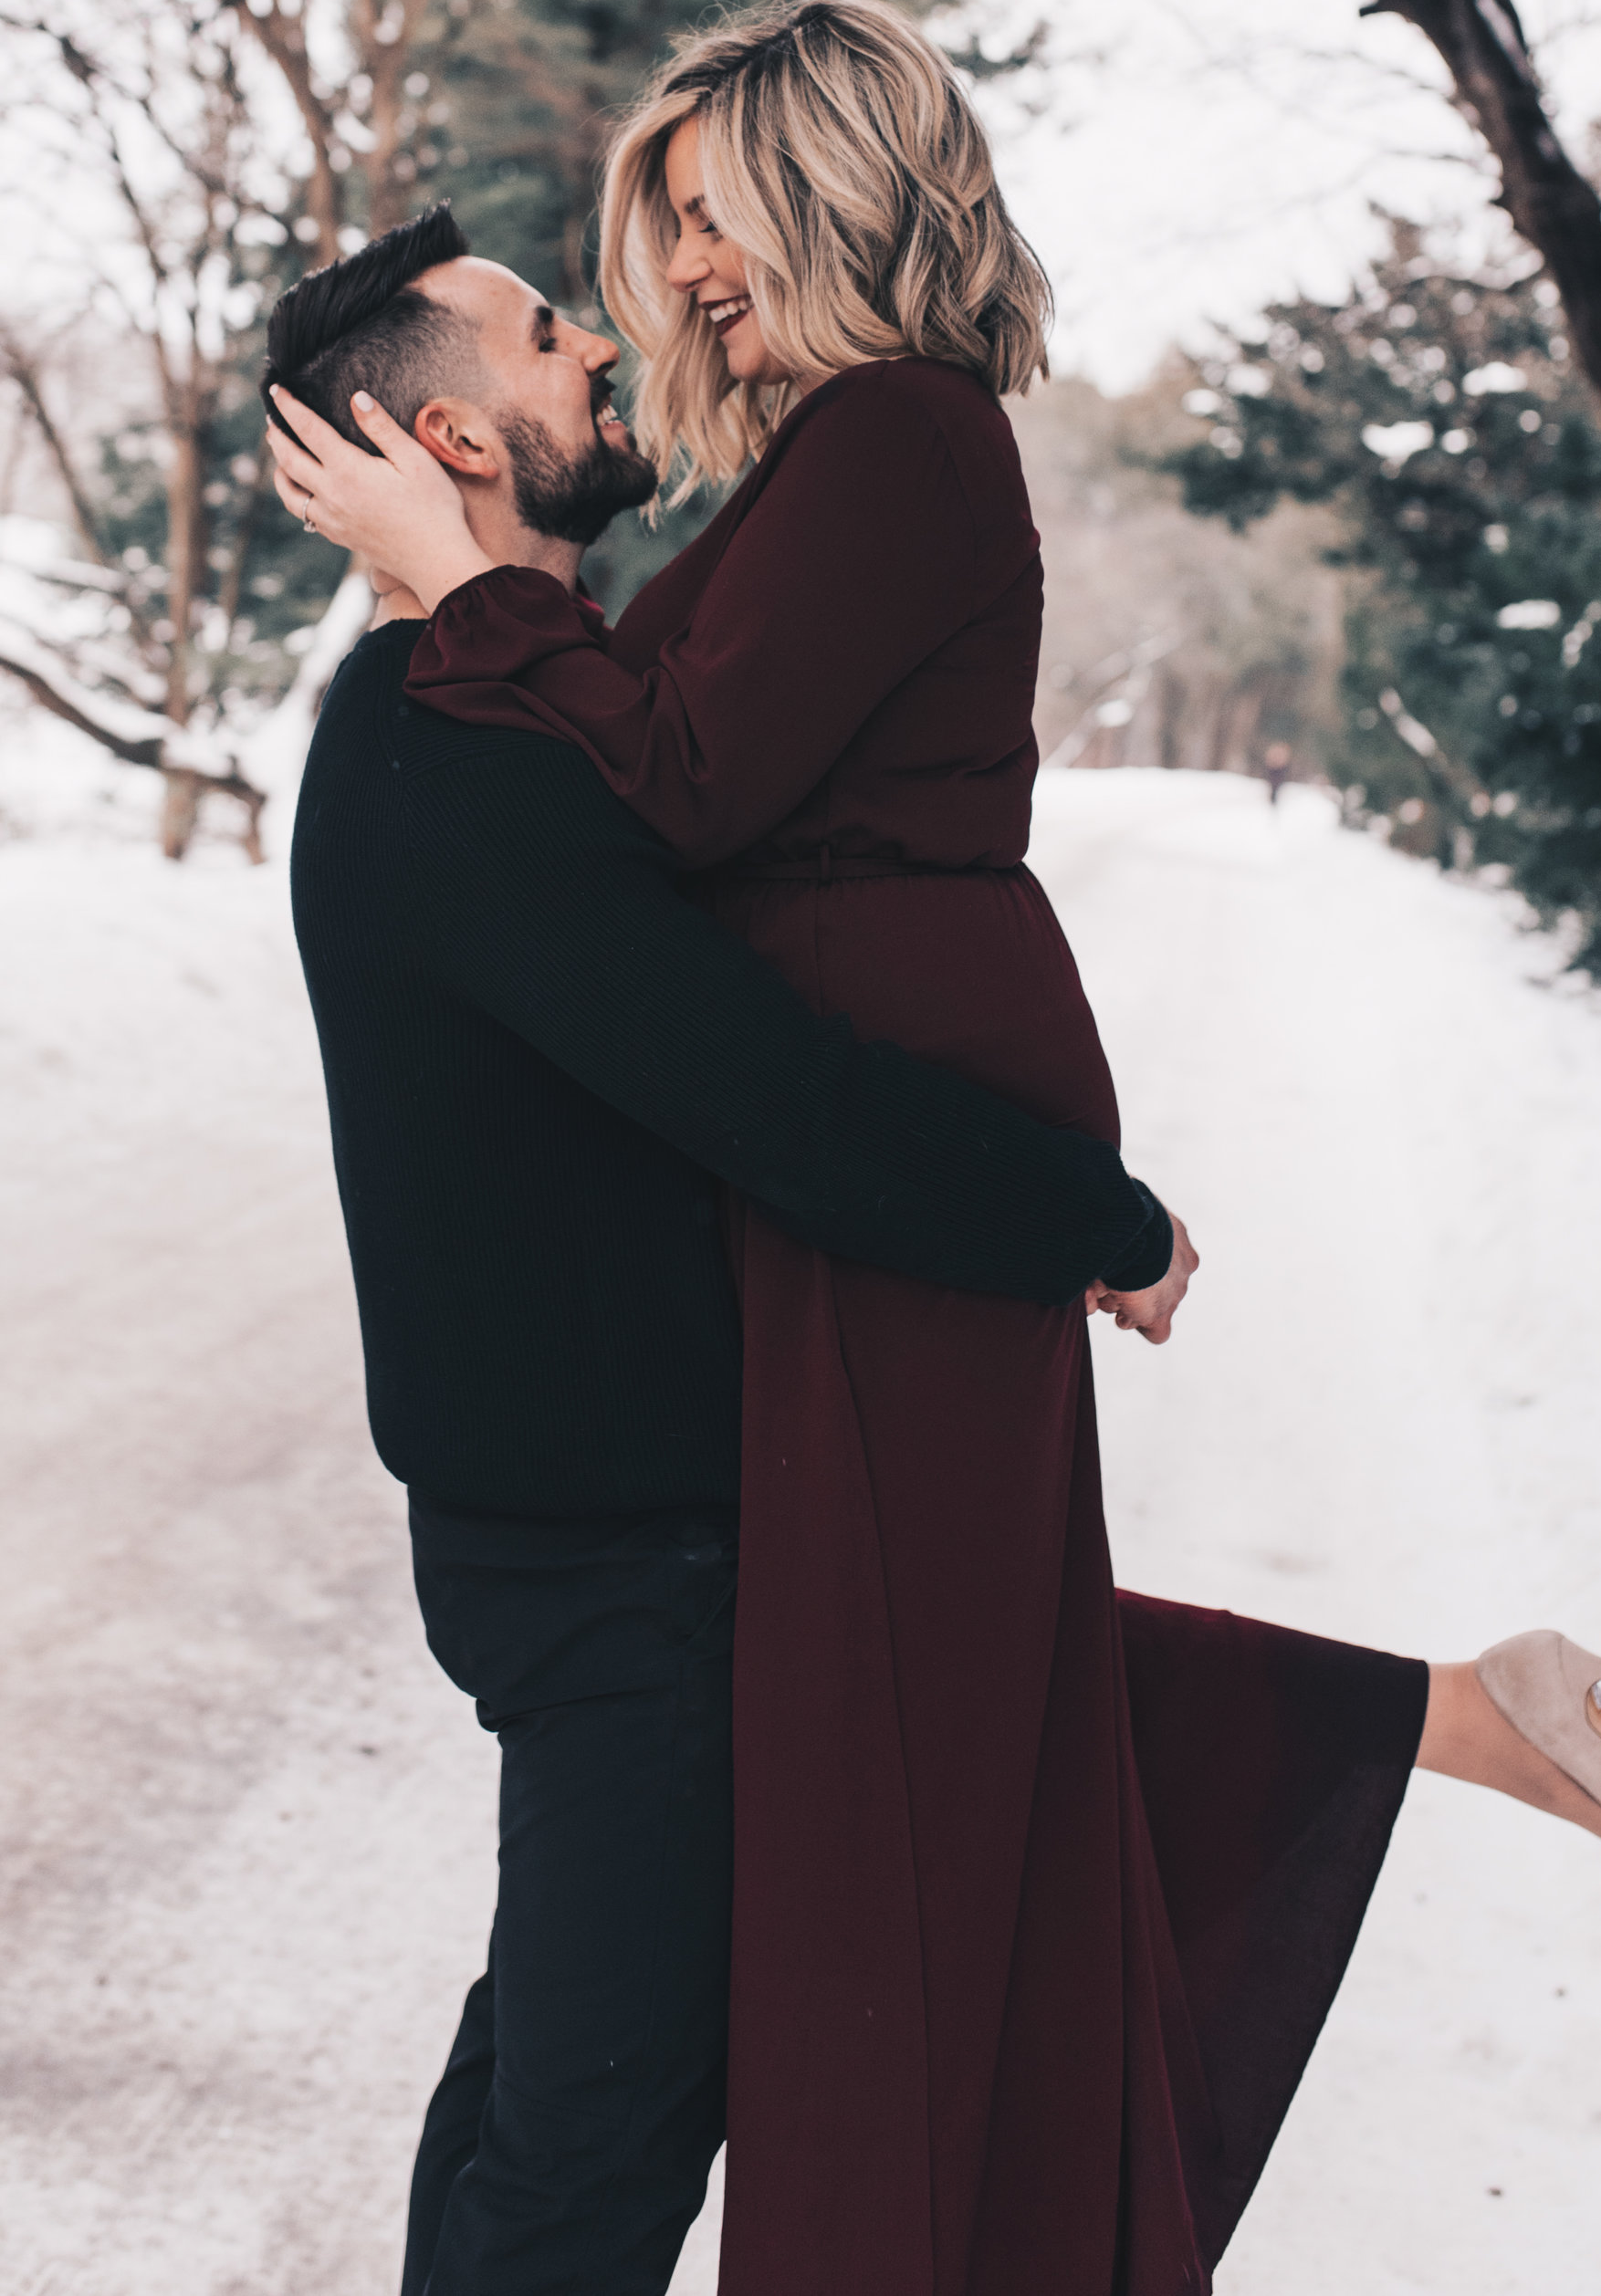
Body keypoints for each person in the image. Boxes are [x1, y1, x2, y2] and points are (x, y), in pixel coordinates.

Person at [267, 0, 1601, 2296]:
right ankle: (1483, 1717)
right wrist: (470, 592)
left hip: (860, 1188)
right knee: (930, 1691)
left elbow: (687, 796)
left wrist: (468, 583)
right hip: (773, 1275)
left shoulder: (898, 445)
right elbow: (676, 836)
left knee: (894, 1723)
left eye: (696, 221)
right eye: (600, 287)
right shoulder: (686, 562)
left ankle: (1465, 1741)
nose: (664, 289)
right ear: (451, 428)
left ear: (828, 192)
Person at [267, 211, 1194, 2296]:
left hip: (590, 1537)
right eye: (540, 332)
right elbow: (775, 1092)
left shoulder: (443, 712)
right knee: (594, 2136)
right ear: (451, 434)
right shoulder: (461, 750)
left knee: (543, 2080)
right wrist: (1091, 1213)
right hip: (617, 1566)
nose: (598, 336)